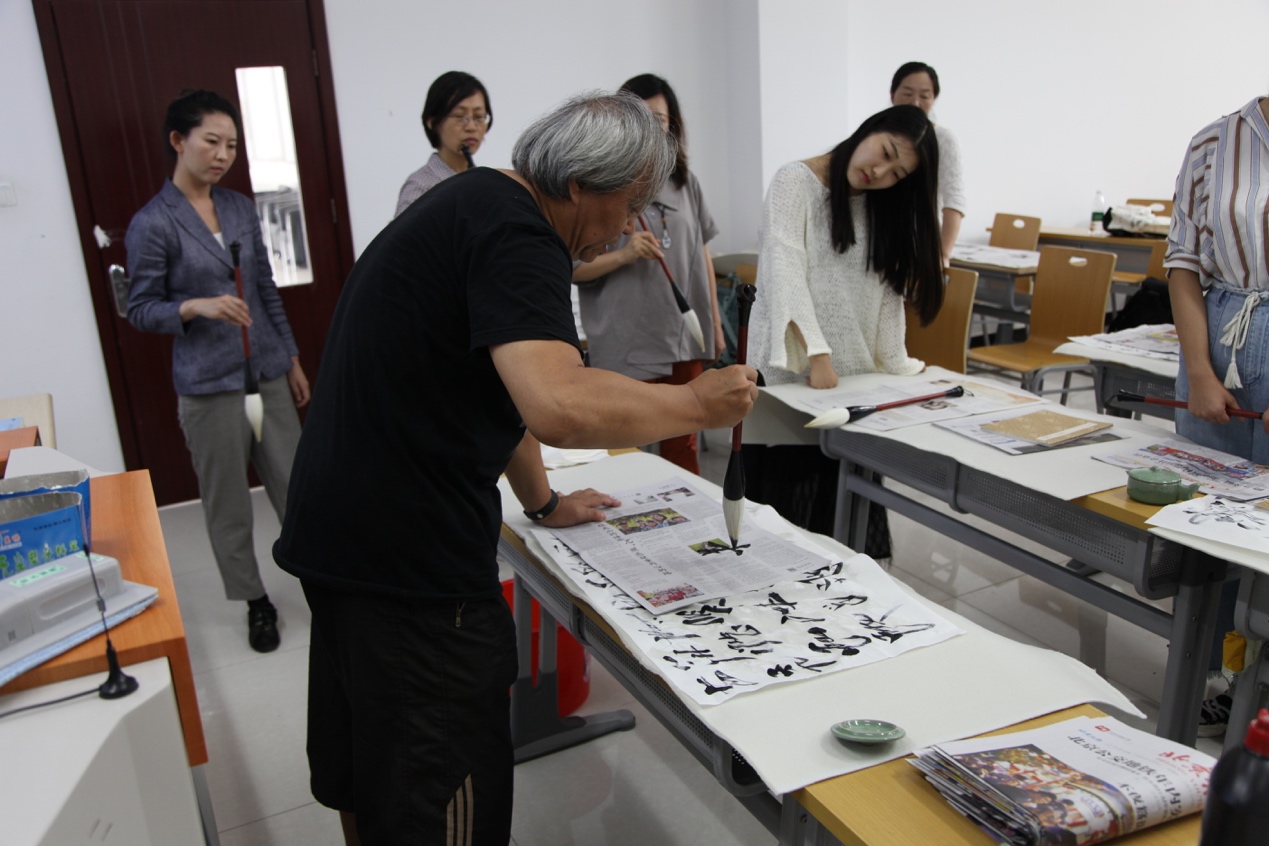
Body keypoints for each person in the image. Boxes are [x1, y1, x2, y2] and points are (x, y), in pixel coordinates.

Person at [273, 91, 757, 846]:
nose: (629, 227)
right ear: (577, 186)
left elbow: (493, 389)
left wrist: (541, 501)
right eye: (628, 205)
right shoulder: (518, 233)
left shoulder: (476, 203)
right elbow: (555, 401)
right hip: (411, 563)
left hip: (342, 538)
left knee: (369, 765)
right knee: (437, 778)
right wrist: (695, 405)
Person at [126, 89, 310, 653]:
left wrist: (293, 358)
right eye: (212, 141)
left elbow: (264, 289)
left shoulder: (237, 208)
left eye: (231, 144)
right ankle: (255, 601)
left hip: (266, 377)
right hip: (210, 390)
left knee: (299, 489)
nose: (223, 154)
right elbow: (140, 309)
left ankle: (324, 582)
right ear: (179, 141)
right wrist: (194, 306)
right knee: (227, 502)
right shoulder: (152, 223)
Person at [746, 104, 943, 543]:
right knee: (785, 530)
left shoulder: (880, 205)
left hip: (852, 392)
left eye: (898, 173)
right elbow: (785, 273)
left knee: (842, 530)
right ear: (870, 129)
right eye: (886, 151)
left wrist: (900, 367)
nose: (882, 171)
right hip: (792, 380)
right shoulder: (794, 181)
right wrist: (817, 354)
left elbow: (886, 295)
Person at [1166, 95, 1269, 736]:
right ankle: (1209, 675)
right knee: (1207, 522)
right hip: (1223, 332)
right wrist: (1200, 371)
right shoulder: (1217, 140)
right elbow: (1181, 262)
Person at [573, 73, 723, 474]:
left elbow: (701, 253)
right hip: (627, 342)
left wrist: (714, 326)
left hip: (681, 335)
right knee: (625, 450)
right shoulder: (600, 182)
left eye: (659, 120)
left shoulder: (686, 183)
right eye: (640, 117)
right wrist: (625, 255)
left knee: (683, 447)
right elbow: (574, 270)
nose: (652, 129)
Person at [890, 61, 966, 262]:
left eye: (925, 96)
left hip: (920, 246)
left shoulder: (943, 139)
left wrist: (943, 255)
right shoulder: (875, 135)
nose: (915, 102)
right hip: (878, 244)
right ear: (892, 94)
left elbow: (955, 199)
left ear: (934, 99)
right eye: (907, 94)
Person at [394, 70, 493, 217]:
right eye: (459, 116)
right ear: (433, 123)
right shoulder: (420, 188)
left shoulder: (485, 181)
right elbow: (403, 240)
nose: (471, 127)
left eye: (478, 117)